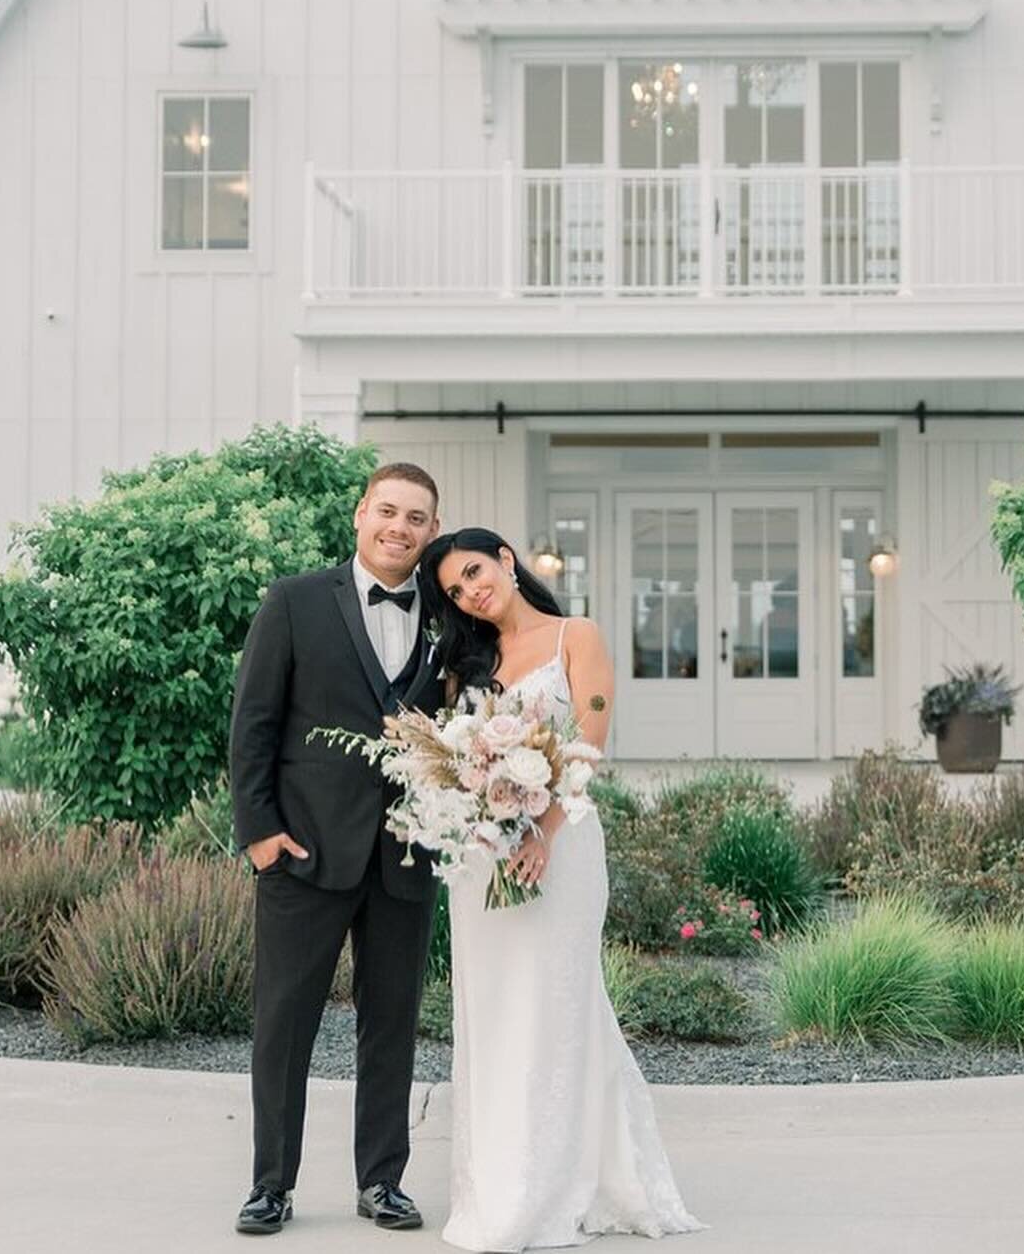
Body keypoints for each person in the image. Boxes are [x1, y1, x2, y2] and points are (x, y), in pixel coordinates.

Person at [417, 526, 703, 1253]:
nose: (471, 592)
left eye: (475, 572)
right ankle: (500, 1179)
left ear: (507, 561)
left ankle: (557, 1181)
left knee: (558, 1001)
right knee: (493, 1007)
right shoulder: (466, 663)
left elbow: (590, 740)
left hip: (563, 842)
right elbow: (454, 756)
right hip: (485, 858)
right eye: (454, 590)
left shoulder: (576, 634)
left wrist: (541, 828)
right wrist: (477, 811)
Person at [229, 462, 444, 1236]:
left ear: (431, 530)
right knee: (284, 1024)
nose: (400, 527)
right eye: (388, 511)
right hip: (303, 852)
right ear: (360, 515)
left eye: (416, 517)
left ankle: (382, 1180)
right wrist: (258, 835)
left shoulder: (449, 618)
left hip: (407, 856)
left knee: (391, 1024)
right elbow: (253, 724)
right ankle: (269, 1185)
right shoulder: (293, 602)